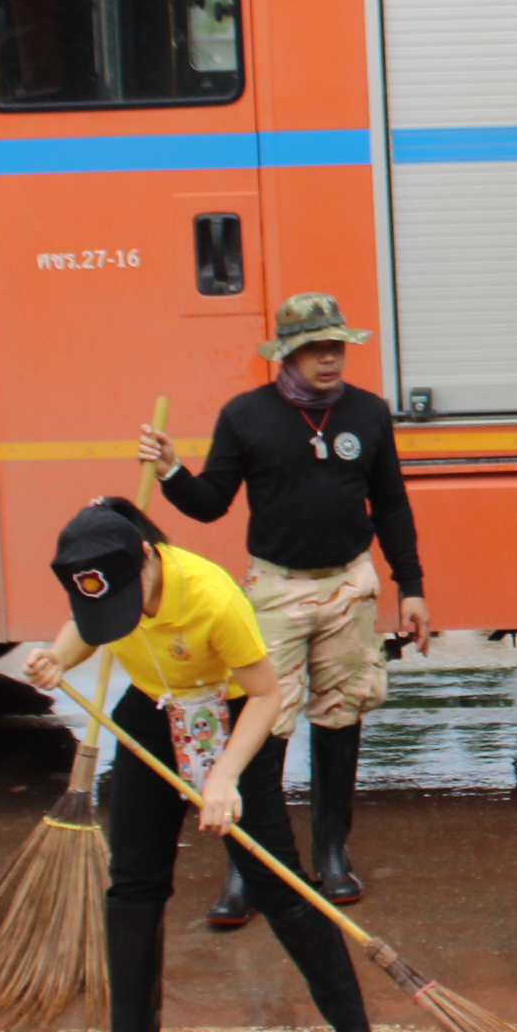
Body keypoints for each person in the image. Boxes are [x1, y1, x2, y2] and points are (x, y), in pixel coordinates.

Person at [22, 499, 385, 1032]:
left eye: (126, 599)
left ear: (146, 558)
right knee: (132, 885)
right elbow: (86, 626)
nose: (120, 614)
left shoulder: (211, 596)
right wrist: (56, 658)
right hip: (153, 712)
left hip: (232, 713)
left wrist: (224, 776)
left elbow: (268, 694)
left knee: (276, 884)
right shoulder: (107, 583)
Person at [140, 292, 429, 922]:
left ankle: (331, 854)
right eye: (314, 348)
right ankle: (252, 865)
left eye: (336, 347)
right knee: (262, 723)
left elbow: (391, 503)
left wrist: (411, 586)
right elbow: (211, 503)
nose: (329, 359)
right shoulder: (246, 415)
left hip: (350, 585)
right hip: (275, 591)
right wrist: (170, 471)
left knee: (341, 715)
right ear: (287, 354)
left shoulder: (368, 412)